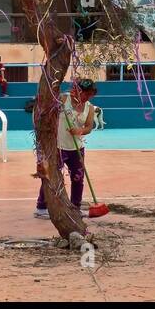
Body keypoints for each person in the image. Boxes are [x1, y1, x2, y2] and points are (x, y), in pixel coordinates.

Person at [34, 79, 97, 219]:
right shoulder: (63, 99)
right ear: (76, 90)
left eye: (90, 94)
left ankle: (75, 207)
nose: (87, 97)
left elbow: (88, 127)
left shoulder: (90, 108)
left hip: (77, 148)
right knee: (51, 176)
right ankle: (41, 207)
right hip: (58, 146)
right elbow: (48, 110)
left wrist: (79, 131)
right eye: (85, 93)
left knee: (78, 178)